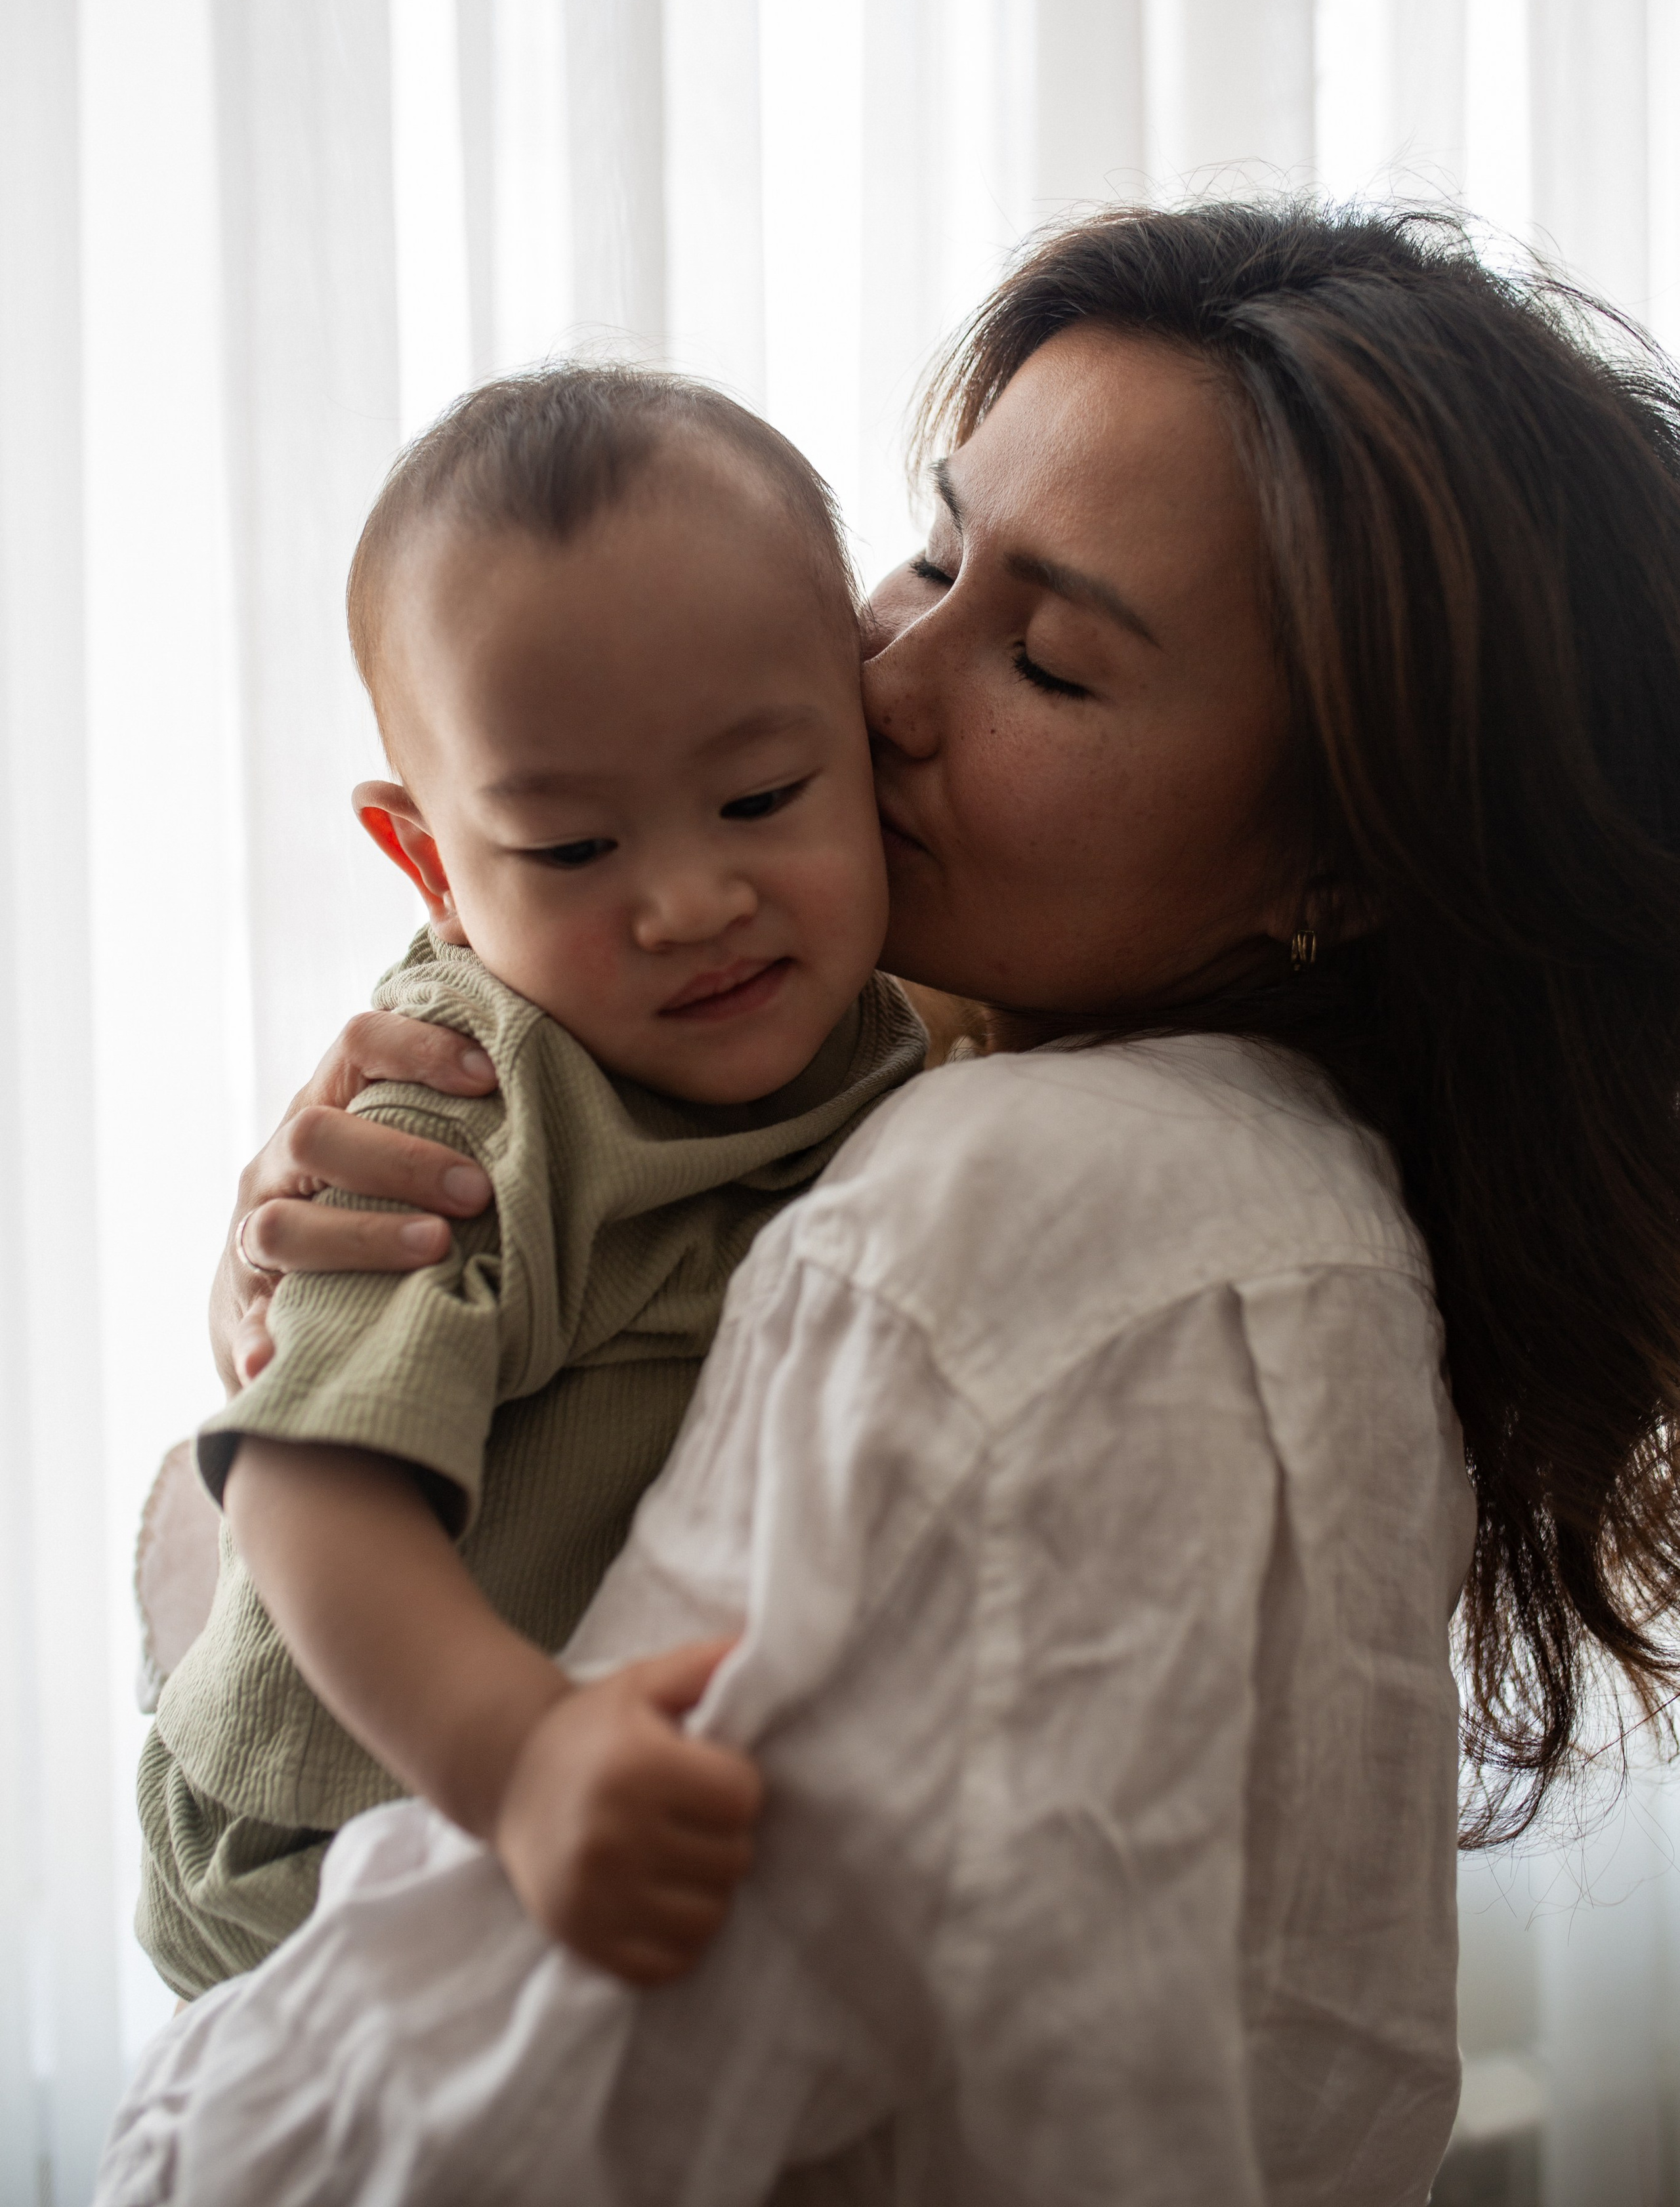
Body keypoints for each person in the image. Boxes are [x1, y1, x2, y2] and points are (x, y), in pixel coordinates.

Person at [101, 201, 1680, 2206]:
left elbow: (423, 2108)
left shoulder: (1042, 1198)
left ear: (1342, 862)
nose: (893, 680)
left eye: (1047, 657)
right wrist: (310, 1279)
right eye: (933, 552)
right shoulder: (908, 1064)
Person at [136, 368, 925, 1999]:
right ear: (429, 865)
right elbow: (295, 1493)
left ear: (863, 731)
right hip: (329, 1818)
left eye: (762, 799)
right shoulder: (462, 1101)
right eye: (570, 851)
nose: (691, 902)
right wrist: (523, 1762)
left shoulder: (891, 1023)